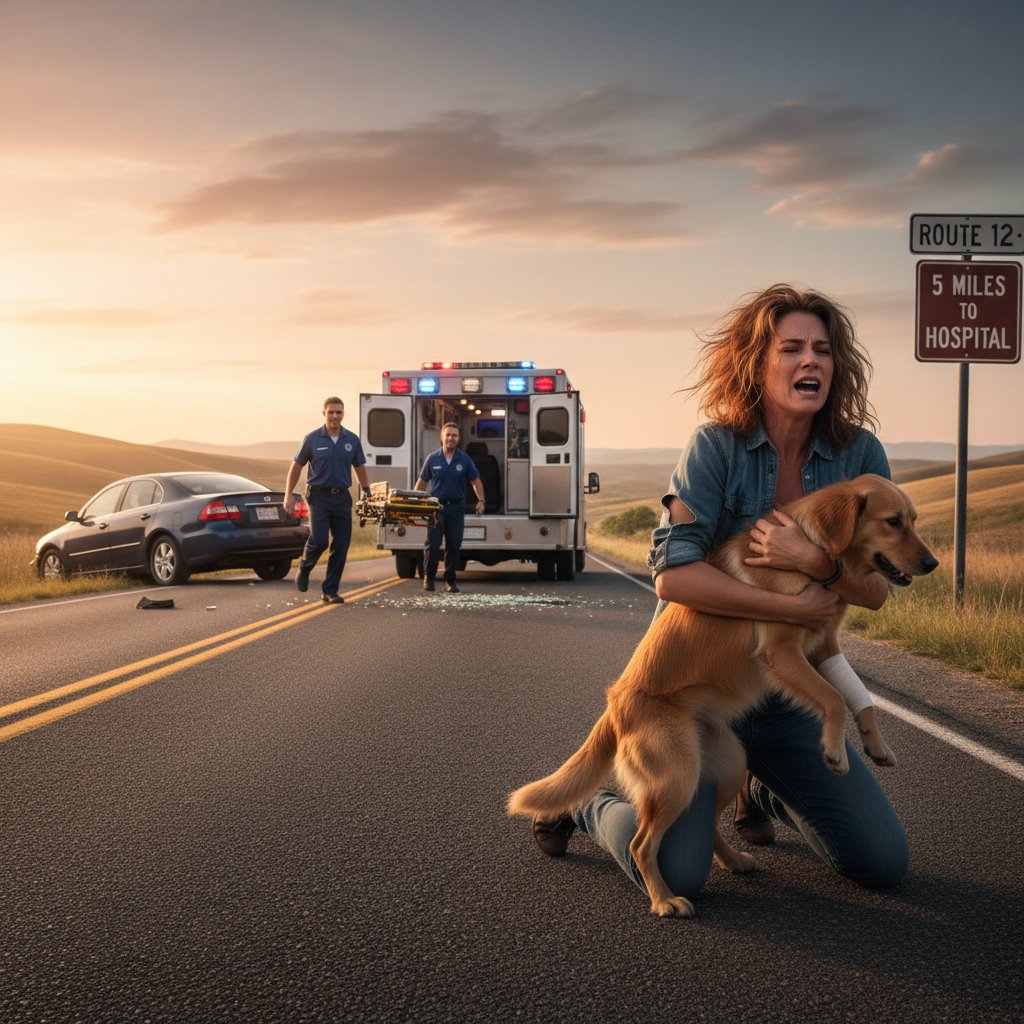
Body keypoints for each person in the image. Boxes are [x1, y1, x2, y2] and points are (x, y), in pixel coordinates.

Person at [532, 283, 909, 903]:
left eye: (822, 350)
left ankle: (764, 788)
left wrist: (812, 560)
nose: (810, 361)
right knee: (678, 872)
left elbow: (874, 590)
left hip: (787, 695)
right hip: (694, 698)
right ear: (756, 363)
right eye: (791, 348)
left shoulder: (858, 455)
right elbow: (675, 576)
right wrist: (792, 606)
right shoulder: (715, 447)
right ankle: (589, 802)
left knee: (883, 863)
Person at [284, 396, 370, 604]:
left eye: (338, 412)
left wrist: (366, 490)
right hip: (318, 496)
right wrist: (288, 494)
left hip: (342, 497)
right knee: (320, 540)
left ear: (343, 414)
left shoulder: (352, 440)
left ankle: (330, 590)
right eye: (331, 412)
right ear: (324, 414)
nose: (335, 416)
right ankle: (305, 567)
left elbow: (359, 467)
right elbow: (296, 467)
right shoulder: (312, 439)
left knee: (341, 544)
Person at [414, 422, 485, 593]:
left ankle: (450, 581)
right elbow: (422, 482)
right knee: (433, 544)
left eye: (454, 435)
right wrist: (415, 502)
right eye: (448, 435)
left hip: (456, 508)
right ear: (442, 437)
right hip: (436, 508)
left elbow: (475, 480)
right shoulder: (432, 458)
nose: (451, 438)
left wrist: (481, 500)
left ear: (458, 438)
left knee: (453, 545)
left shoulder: (464, 459)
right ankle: (429, 579)